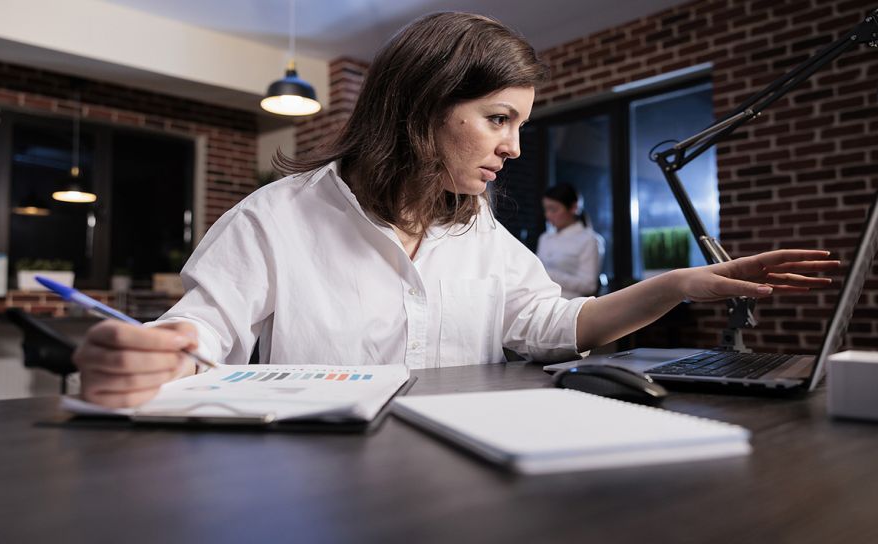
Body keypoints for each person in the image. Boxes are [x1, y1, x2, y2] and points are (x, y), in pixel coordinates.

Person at [72, 12, 839, 408]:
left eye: (520, 127)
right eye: (498, 119)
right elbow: (198, 336)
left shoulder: (477, 228)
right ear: (421, 106)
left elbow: (554, 323)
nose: (511, 148)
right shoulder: (276, 218)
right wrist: (153, 354)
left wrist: (681, 285)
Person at [537, 183, 605, 298]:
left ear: (573, 208)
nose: (548, 215)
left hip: (569, 304)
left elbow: (589, 285)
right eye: (546, 209)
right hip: (540, 300)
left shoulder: (589, 239)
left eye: (553, 210)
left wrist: (549, 275)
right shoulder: (545, 238)